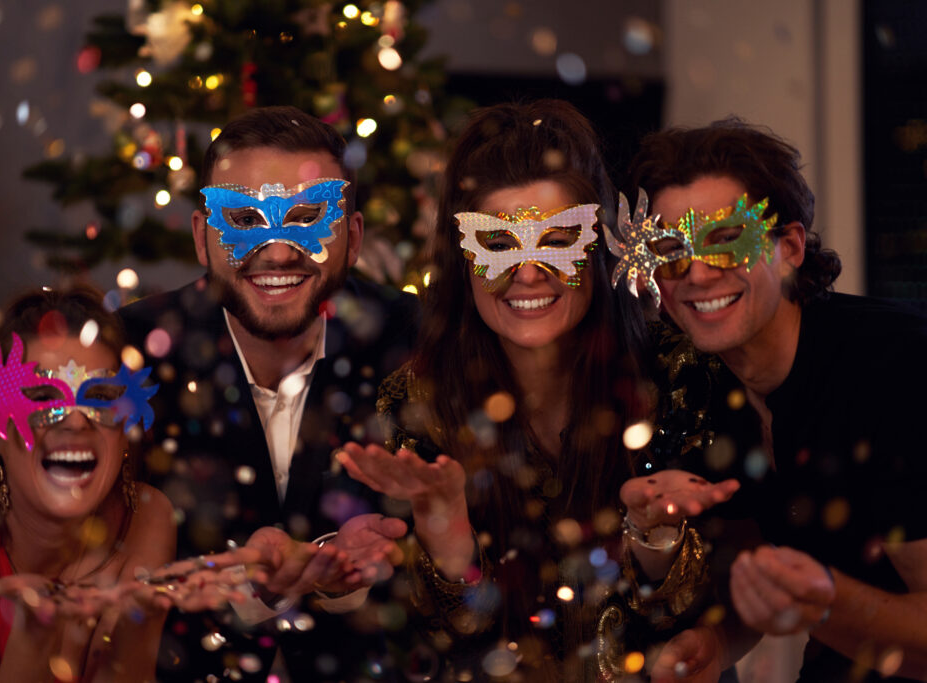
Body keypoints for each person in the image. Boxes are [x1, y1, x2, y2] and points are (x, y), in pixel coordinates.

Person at [337, 100, 740, 682]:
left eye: (556, 240)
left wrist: (656, 536)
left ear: (599, 245)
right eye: (499, 245)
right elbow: (448, 644)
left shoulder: (681, 377)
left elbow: (704, 625)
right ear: (464, 258)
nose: (529, 273)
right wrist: (449, 536)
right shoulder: (418, 403)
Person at [618, 118, 927, 681]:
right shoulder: (708, 384)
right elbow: (755, 572)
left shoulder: (896, 370)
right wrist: (714, 643)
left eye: (724, 239)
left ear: (788, 247)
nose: (698, 274)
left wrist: (824, 599)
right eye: (669, 249)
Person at [119, 106, 415, 681]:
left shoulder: (415, 345)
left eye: (307, 218)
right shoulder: (134, 356)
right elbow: (101, 577)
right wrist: (237, 587)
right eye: (245, 220)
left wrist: (352, 578)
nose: (278, 251)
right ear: (204, 240)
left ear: (351, 239)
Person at [0, 286, 176, 682]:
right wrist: (36, 638)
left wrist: (137, 626)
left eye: (99, 396)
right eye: (45, 398)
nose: (77, 420)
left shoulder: (145, 516)